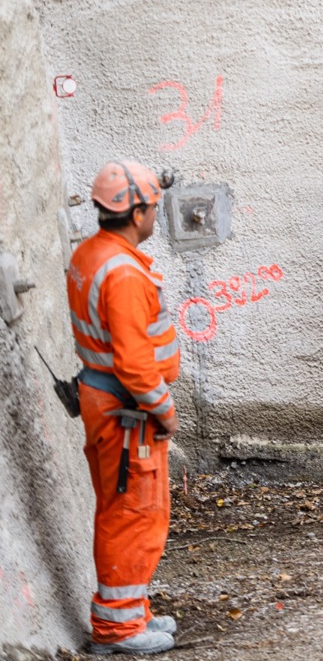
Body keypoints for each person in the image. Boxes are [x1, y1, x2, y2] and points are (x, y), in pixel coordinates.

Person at [68, 162, 180, 655]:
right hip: (128, 409)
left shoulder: (91, 254)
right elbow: (136, 365)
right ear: (136, 212)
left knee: (123, 509)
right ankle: (117, 630)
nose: (156, 213)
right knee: (134, 512)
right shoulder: (124, 273)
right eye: (153, 206)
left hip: (103, 399)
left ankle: (131, 615)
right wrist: (166, 411)